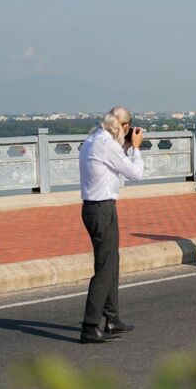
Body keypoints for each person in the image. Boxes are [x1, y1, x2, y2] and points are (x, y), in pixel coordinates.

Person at [77, 107, 144, 343]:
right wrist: (135, 147)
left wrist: (124, 147)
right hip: (101, 208)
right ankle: (90, 325)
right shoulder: (106, 145)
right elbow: (136, 173)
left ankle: (112, 319)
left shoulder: (93, 139)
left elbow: (112, 163)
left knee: (110, 264)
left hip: (96, 208)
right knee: (105, 269)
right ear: (124, 126)